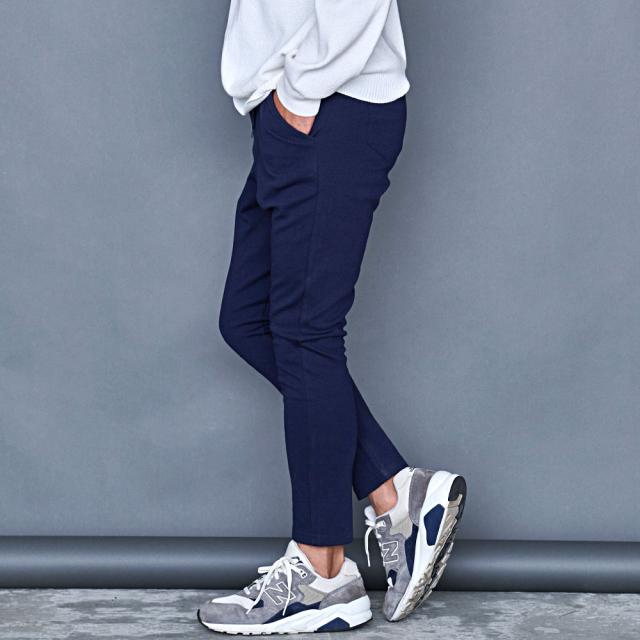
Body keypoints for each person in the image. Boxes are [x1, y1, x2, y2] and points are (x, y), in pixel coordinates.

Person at [197, 1, 466, 634]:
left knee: (304, 334)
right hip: (295, 110)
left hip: (330, 106)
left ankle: (322, 571)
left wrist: (301, 90)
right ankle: (396, 492)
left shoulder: (313, 97)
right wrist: (278, 99)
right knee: (249, 319)